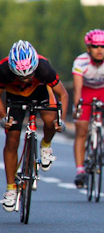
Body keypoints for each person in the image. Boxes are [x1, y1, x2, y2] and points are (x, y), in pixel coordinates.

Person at [0, 40, 69, 211]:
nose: (25, 79)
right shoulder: (3, 70)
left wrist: (61, 120)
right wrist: (3, 117)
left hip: (39, 92)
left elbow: (63, 95)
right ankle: (10, 188)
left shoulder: (44, 68)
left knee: (50, 121)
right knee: (12, 139)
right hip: (15, 96)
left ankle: (46, 145)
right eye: (20, 76)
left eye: (29, 75)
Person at [71, 29, 104, 188]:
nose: (99, 49)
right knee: (81, 129)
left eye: (103, 46)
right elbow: (77, 89)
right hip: (86, 92)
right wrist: (77, 106)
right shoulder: (80, 62)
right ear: (88, 48)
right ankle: (80, 170)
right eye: (95, 46)